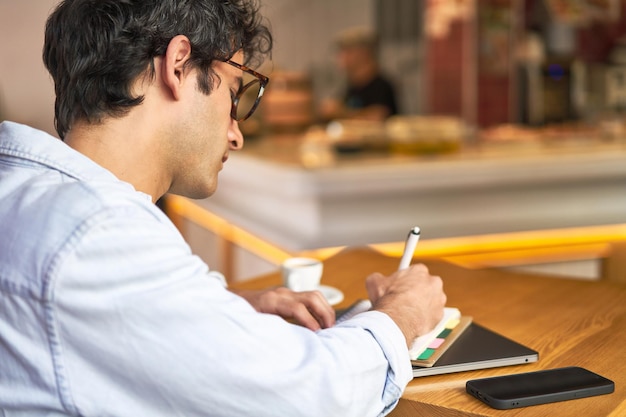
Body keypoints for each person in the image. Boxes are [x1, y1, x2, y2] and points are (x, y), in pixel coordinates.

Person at [0, 1, 446, 416]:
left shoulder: (24, 191)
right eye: (234, 94)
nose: (236, 135)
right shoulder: (98, 235)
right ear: (177, 65)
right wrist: (402, 314)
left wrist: (219, 311)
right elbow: (306, 396)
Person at [319, 27, 399, 122]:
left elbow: (377, 118)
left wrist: (341, 112)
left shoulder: (381, 86)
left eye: (347, 51)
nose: (340, 57)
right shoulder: (352, 86)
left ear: (363, 53)